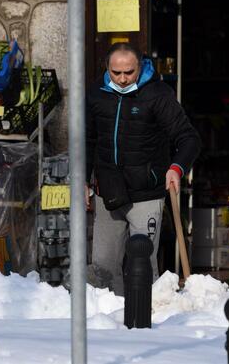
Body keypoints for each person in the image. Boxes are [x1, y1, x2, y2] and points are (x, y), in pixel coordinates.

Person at [86, 42, 201, 295]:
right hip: (109, 191)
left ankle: (148, 312)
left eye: (129, 72)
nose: (123, 79)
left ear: (140, 67)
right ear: (107, 67)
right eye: (116, 73)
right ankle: (111, 313)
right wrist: (84, 179)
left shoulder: (158, 94)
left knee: (142, 262)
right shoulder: (97, 93)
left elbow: (188, 138)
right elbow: (88, 139)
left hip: (146, 192)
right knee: (103, 268)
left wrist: (176, 167)